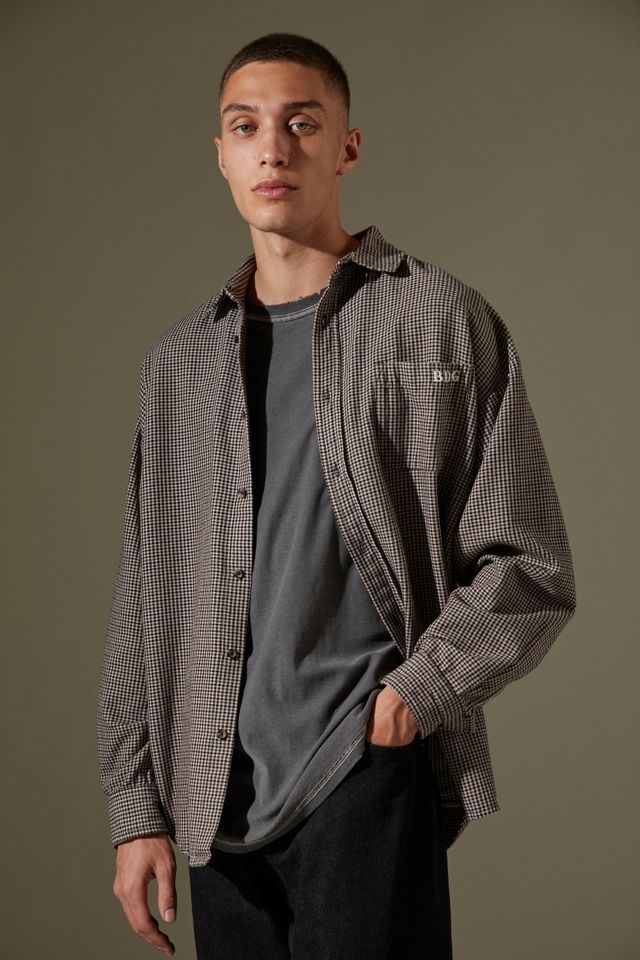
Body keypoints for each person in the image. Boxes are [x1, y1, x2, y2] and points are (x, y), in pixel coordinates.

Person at [96, 31, 576, 960]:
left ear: (347, 146)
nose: (274, 148)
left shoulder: (439, 319)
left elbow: (531, 563)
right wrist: (136, 806)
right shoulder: (180, 366)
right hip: (213, 799)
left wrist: (412, 698)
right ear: (222, 156)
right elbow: (147, 601)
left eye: (302, 124)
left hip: (361, 770)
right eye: (247, 127)